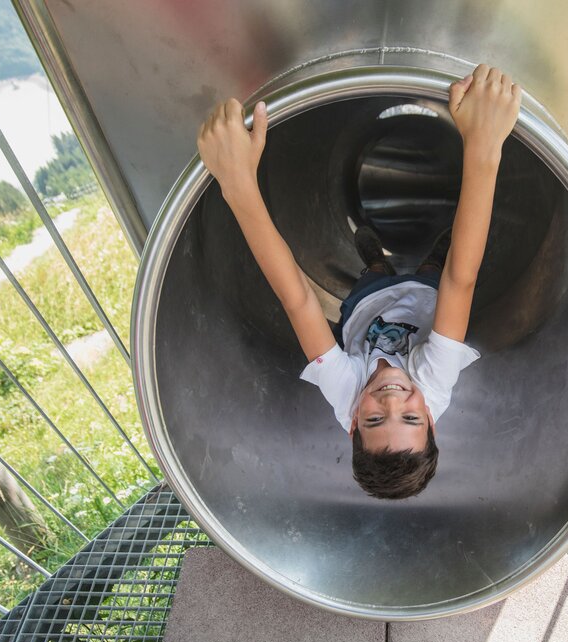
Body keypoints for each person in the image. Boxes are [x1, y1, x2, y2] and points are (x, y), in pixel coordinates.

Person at [197, 64, 520, 499]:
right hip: (429, 297)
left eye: (373, 420)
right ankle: (429, 249)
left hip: (366, 307)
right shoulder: (435, 385)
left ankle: (373, 257)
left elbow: (299, 302)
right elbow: (461, 281)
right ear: (432, 419)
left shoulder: (344, 394)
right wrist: (483, 147)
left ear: (351, 422)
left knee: (375, 273)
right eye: (411, 418)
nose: (392, 402)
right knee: (441, 263)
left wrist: (237, 185)